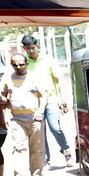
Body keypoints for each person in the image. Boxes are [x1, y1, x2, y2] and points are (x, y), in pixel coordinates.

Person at [21, 36, 73, 168]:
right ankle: (45, 159)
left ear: (37, 46)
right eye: (28, 48)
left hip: (51, 100)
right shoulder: (23, 63)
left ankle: (66, 151)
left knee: (55, 128)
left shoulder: (48, 60)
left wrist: (63, 101)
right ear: (24, 48)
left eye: (33, 47)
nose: (31, 50)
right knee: (39, 132)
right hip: (34, 103)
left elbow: (59, 80)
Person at [0, 53, 47, 176]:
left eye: (21, 64)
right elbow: (2, 99)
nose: (19, 67)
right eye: (15, 65)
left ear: (26, 63)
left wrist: (40, 111)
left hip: (34, 118)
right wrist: (3, 117)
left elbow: (44, 96)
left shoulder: (35, 77)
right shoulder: (7, 78)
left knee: (37, 149)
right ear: (12, 66)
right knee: (19, 148)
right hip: (16, 119)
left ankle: (37, 174)